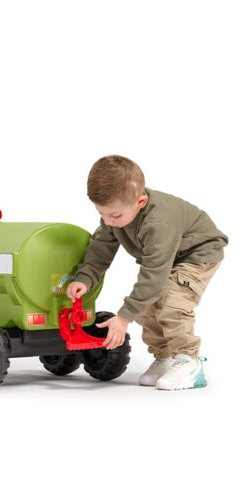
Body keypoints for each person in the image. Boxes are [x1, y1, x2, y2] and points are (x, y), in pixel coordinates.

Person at [66, 155, 228, 390]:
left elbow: (154, 275)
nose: (108, 221)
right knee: (144, 307)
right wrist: (85, 279)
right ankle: (165, 356)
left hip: (196, 254)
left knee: (172, 304)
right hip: (165, 257)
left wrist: (123, 318)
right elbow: (99, 251)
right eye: (102, 214)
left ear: (140, 202)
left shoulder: (157, 224)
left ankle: (189, 361)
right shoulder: (115, 217)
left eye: (115, 216)